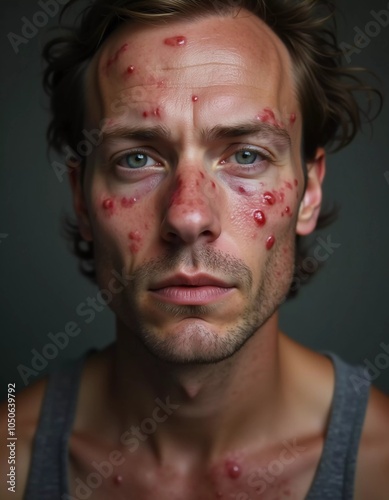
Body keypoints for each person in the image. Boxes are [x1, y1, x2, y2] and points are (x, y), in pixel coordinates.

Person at [1, 0, 389, 498]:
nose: (188, 216)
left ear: (309, 190)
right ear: (82, 199)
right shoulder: (11, 458)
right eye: (137, 157)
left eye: (246, 155)